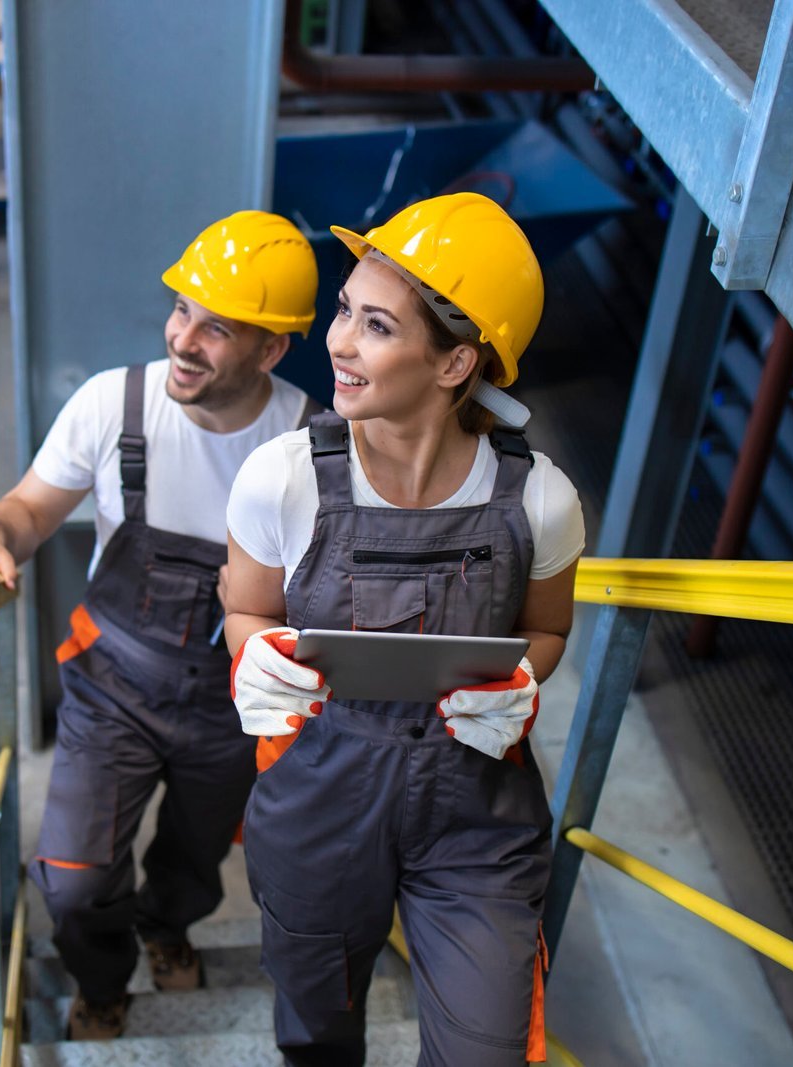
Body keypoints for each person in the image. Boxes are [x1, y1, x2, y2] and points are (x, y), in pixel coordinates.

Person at [0, 210, 321, 1040]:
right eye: (182, 309)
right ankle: (102, 981)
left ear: (271, 350)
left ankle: (167, 926)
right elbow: (30, 508)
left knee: (195, 852)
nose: (184, 338)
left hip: (233, 702)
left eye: (218, 328)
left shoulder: (310, 445)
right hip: (113, 685)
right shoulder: (117, 404)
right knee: (72, 876)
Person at [223, 192, 585, 1066]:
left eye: (375, 326)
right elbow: (247, 608)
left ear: (458, 360)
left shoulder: (540, 500)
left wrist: (521, 687)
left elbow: (547, 630)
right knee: (318, 1028)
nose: (337, 341)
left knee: (487, 1051)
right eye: (346, 311)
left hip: (476, 812)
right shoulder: (282, 479)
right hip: (320, 794)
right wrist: (256, 656)